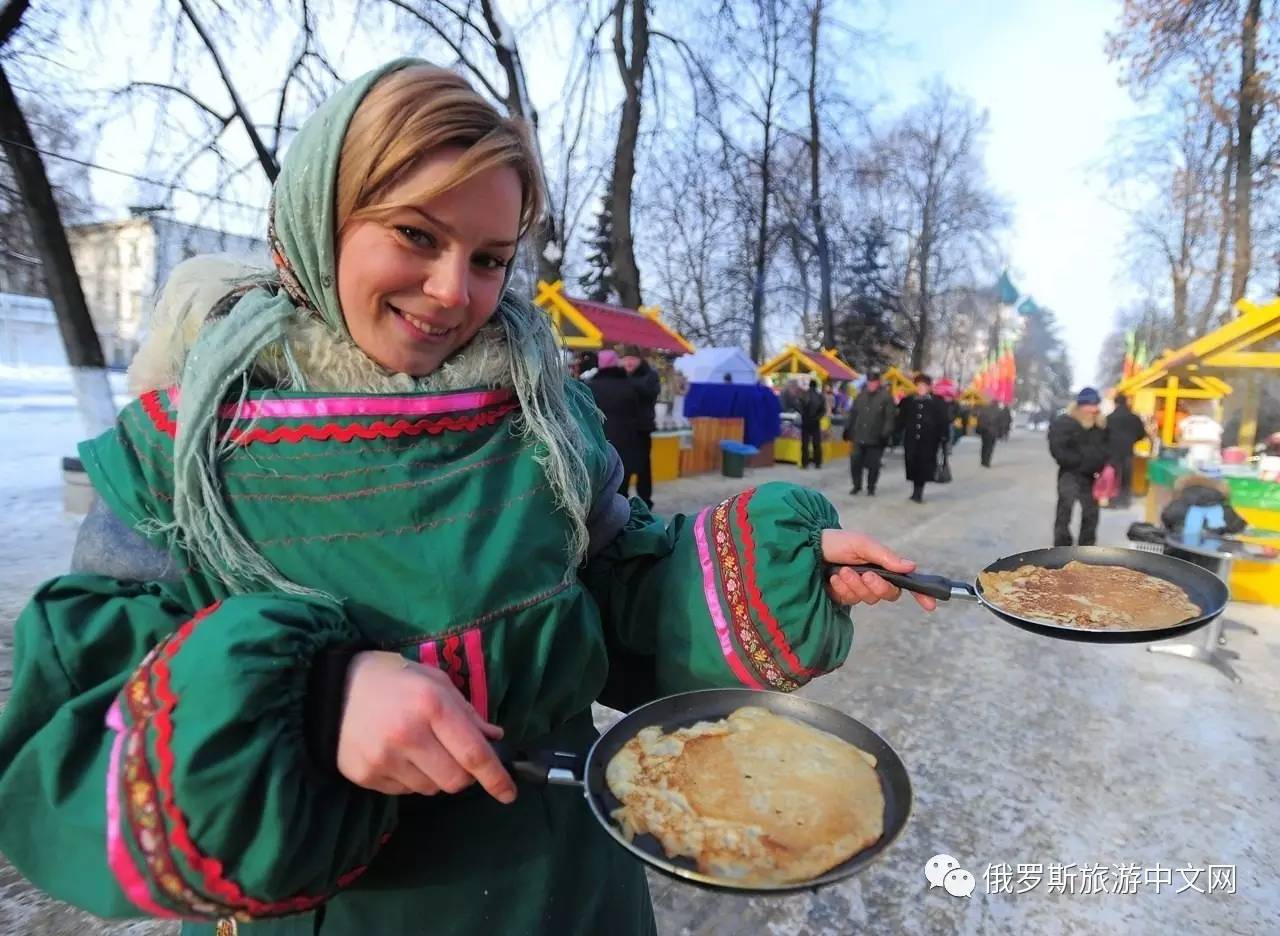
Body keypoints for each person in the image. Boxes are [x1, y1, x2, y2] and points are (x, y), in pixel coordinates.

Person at [0, 61, 937, 936]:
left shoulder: (541, 422)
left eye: (489, 258)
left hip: (571, 897)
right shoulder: (184, 452)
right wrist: (313, 699)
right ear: (321, 216)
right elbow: (76, 729)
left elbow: (619, 596)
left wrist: (766, 577)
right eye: (416, 235)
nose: (453, 291)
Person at [1049, 387, 1109, 546]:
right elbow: (1058, 449)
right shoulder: (1065, 423)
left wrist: (1101, 464)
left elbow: (1105, 447)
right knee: (1065, 510)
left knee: (1091, 513)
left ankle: (1087, 547)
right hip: (1070, 473)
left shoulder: (1100, 425)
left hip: (1091, 476)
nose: (1094, 409)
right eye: (1090, 405)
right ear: (1081, 405)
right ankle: (1062, 546)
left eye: (1096, 404)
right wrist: (1078, 462)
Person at [588, 350, 644, 500]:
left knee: (600, 491)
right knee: (622, 489)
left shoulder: (590, 387)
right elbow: (637, 413)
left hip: (600, 443)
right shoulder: (629, 386)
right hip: (626, 442)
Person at [842, 370, 896, 496]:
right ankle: (856, 485)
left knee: (873, 465)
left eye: (874, 382)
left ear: (878, 383)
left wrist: (885, 433)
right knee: (855, 461)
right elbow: (853, 414)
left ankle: (871, 486)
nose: (871, 384)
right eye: (869, 382)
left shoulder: (886, 397)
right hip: (858, 435)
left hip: (876, 437)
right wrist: (847, 429)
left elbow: (889, 418)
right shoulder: (860, 396)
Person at [898, 374, 949, 503]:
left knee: (924, 465)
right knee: (912, 463)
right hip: (911, 439)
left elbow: (943, 420)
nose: (921, 388)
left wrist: (943, 436)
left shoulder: (937, 402)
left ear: (929, 387)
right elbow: (900, 419)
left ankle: (918, 492)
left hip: (929, 441)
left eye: (924, 386)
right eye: (919, 385)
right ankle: (915, 489)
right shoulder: (909, 401)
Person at [620, 349, 660, 509]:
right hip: (623, 429)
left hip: (642, 429)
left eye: (632, 359)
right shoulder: (620, 375)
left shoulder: (650, 374)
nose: (629, 362)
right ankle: (622, 498)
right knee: (623, 466)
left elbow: (650, 390)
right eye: (626, 358)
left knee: (643, 467)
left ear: (639, 360)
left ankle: (645, 501)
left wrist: (627, 384)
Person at [1105, 395, 1147, 508]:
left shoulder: (1109, 418)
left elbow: (1102, 435)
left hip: (1112, 452)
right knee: (1126, 477)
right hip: (1128, 451)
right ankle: (1124, 502)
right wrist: (1132, 440)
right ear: (1126, 403)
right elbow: (1142, 434)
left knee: (1113, 476)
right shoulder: (1134, 418)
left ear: (1115, 403)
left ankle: (1112, 501)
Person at [799, 379, 827, 468]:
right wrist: (817, 418)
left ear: (809, 385)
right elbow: (823, 410)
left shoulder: (804, 395)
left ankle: (805, 463)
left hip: (806, 421)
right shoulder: (820, 396)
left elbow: (800, 407)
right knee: (816, 443)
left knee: (805, 443)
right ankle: (817, 463)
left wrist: (804, 416)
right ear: (816, 386)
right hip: (815, 422)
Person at [976, 399, 1001, 468]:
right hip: (993, 432)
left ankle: (983, 460)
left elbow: (979, 419)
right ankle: (987, 461)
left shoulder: (984, 409)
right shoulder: (998, 411)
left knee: (984, 446)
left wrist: (980, 429)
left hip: (984, 431)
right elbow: (1000, 422)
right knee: (990, 448)